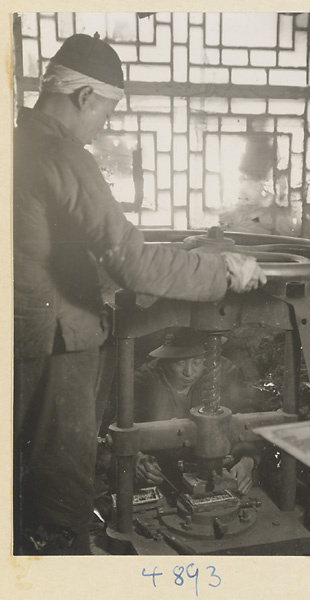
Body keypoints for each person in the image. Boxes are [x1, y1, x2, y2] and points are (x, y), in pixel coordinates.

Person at [13, 33, 267, 555]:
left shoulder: (17, 143)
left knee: (21, 476)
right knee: (59, 491)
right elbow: (130, 259)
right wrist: (222, 271)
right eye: (105, 113)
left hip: (23, 338)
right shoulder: (63, 153)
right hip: (55, 346)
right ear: (85, 97)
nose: (101, 126)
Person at [132, 329, 260, 495]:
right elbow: (119, 431)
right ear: (165, 359)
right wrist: (136, 459)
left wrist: (248, 461)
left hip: (218, 471)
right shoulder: (145, 381)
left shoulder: (224, 372)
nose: (189, 372)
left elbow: (249, 417)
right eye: (180, 362)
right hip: (164, 477)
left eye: (197, 361)